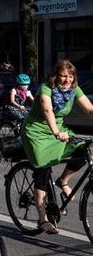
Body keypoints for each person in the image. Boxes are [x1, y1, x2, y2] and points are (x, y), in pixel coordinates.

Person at [21, 60, 93, 234]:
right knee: (43, 171)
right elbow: (47, 111)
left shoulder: (74, 90)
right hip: (37, 131)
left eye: (70, 76)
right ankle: (42, 218)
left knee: (83, 149)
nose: (67, 79)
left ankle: (63, 180)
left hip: (59, 129)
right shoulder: (46, 88)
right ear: (55, 76)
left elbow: (90, 110)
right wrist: (55, 132)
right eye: (63, 76)